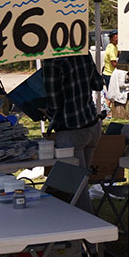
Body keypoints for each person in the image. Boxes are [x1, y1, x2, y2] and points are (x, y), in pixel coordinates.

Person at [42, 54, 103, 212]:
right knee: (80, 182)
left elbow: (54, 104)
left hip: (71, 130)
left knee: (76, 188)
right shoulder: (84, 53)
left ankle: (88, 228)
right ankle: (74, 222)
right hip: (92, 124)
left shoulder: (52, 60)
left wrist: (44, 111)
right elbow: (98, 84)